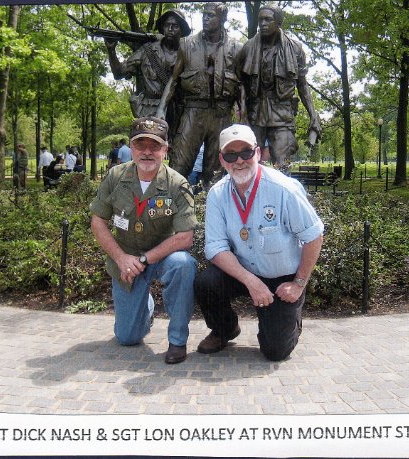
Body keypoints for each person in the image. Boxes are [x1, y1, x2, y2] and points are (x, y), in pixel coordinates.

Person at [195, 124, 324, 361]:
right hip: (243, 273)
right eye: (231, 155)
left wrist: (298, 284)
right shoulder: (217, 194)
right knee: (206, 282)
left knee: (275, 352)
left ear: (257, 153)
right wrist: (251, 281)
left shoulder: (284, 189)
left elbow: (313, 236)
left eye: (245, 152)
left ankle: (288, 320)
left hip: (281, 279)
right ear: (222, 160)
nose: (239, 161)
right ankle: (225, 330)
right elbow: (215, 247)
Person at [89, 116, 198, 364]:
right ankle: (144, 305)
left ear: (165, 150)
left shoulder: (177, 184)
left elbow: (185, 237)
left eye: (155, 146)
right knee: (127, 337)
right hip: (126, 260)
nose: (147, 152)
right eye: (141, 145)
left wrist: (143, 259)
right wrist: (121, 258)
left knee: (184, 264)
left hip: (162, 257)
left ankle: (178, 341)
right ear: (131, 147)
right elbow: (98, 222)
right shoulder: (115, 177)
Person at [156, 2, 243, 188]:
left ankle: (211, 209)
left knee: (217, 173)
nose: (205, 18)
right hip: (193, 112)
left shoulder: (236, 48)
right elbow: (173, 80)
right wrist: (161, 110)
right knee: (179, 165)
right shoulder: (187, 45)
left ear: (222, 19)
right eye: (204, 14)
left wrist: (244, 117)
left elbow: (242, 87)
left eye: (210, 15)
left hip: (222, 114)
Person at [236, 4, 321, 170]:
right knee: (249, 162)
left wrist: (313, 114)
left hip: (282, 113)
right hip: (255, 113)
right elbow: (240, 84)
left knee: (282, 165)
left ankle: (282, 195)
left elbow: (302, 84)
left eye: (268, 19)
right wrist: (243, 113)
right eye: (261, 19)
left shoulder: (295, 49)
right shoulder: (247, 48)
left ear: (279, 23)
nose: (263, 23)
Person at [105, 8, 191, 139]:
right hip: (149, 111)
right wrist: (111, 50)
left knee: (178, 154)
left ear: (182, 30)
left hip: (180, 111)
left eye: (175, 26)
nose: (170, 29)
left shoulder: (189, 54)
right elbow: (119, 73)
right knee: (148, 148)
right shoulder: (147, 51)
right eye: (167, 25)